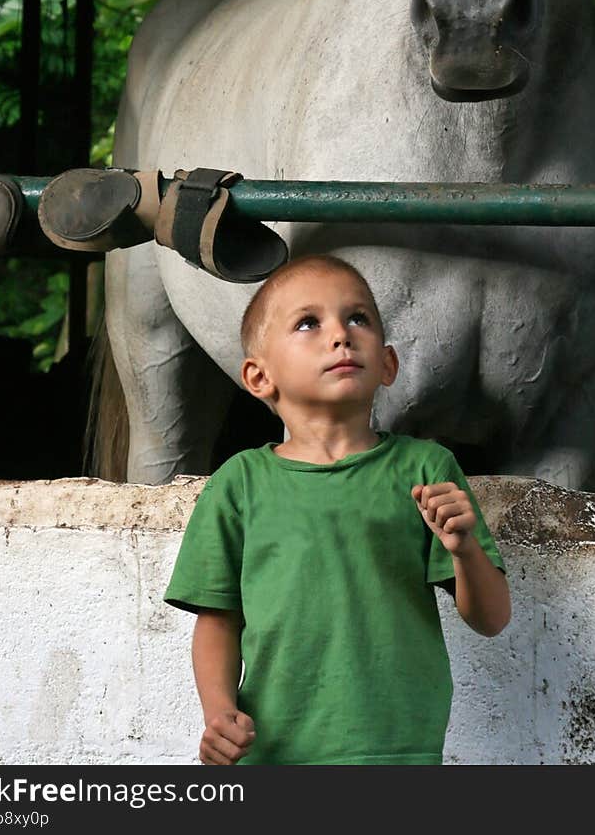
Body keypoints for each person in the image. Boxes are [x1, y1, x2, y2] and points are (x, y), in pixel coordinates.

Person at [164, 254, 511, 765]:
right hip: (275, 751)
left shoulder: (425, 468)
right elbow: (218, 621)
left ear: (388, 363)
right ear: (259, 378)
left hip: (400, 752)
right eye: (309, 322)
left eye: (358, 318)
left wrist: (463, 550)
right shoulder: (240, 483)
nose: (341, 335)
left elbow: (492, 618)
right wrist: (219, 713)